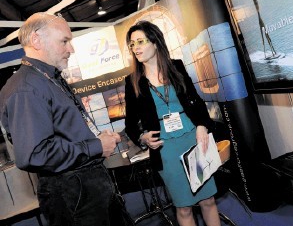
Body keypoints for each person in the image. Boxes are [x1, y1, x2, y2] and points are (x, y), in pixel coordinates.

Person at [0, 12, 132, 226]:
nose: (71, 49)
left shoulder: (47, 79)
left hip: (86, 185)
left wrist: (95, 140)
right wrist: (95, 146)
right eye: (64, 41)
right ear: (36, 40)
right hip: (72, 192)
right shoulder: (26, 88)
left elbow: (63, 133)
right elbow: (34, 154)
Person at [124, 20, 221, 226]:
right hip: (165, 149)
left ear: (155, 42)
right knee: (184, 207)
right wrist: (142, 137)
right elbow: (130, 124)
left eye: (140, 41)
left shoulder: (176, 67)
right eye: (132, 44)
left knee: (208, 200)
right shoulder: (132, 81)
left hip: (194, 141)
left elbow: (196, 101)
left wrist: (202, 126)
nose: (136, 48)